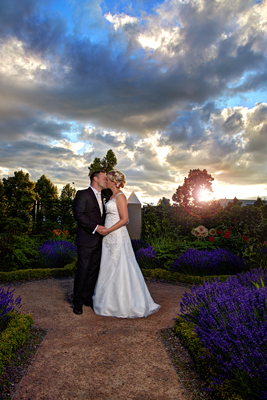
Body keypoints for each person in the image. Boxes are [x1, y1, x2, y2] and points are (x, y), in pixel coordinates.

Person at [93, 170, 160, 318]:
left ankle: (123, 304)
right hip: (108, 237)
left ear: (115, 182)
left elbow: (125, 219)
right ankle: (108, 301)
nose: (106, 181)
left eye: (108, 179)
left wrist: (109, 229)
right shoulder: (111, 196)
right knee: (108, 265)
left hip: (116, 235)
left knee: (119, 265)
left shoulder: (121, 196)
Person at [72, 170, 108, 315]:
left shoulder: (105, 197)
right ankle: (78, 302)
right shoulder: (82, 194)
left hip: (100, 242)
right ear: (95, 178)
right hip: (86, 240)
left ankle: (88, 298)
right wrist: (96, 228)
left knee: (94, 271)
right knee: (83, 270)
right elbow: (78, 215)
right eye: (104, 178)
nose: (106, 180)